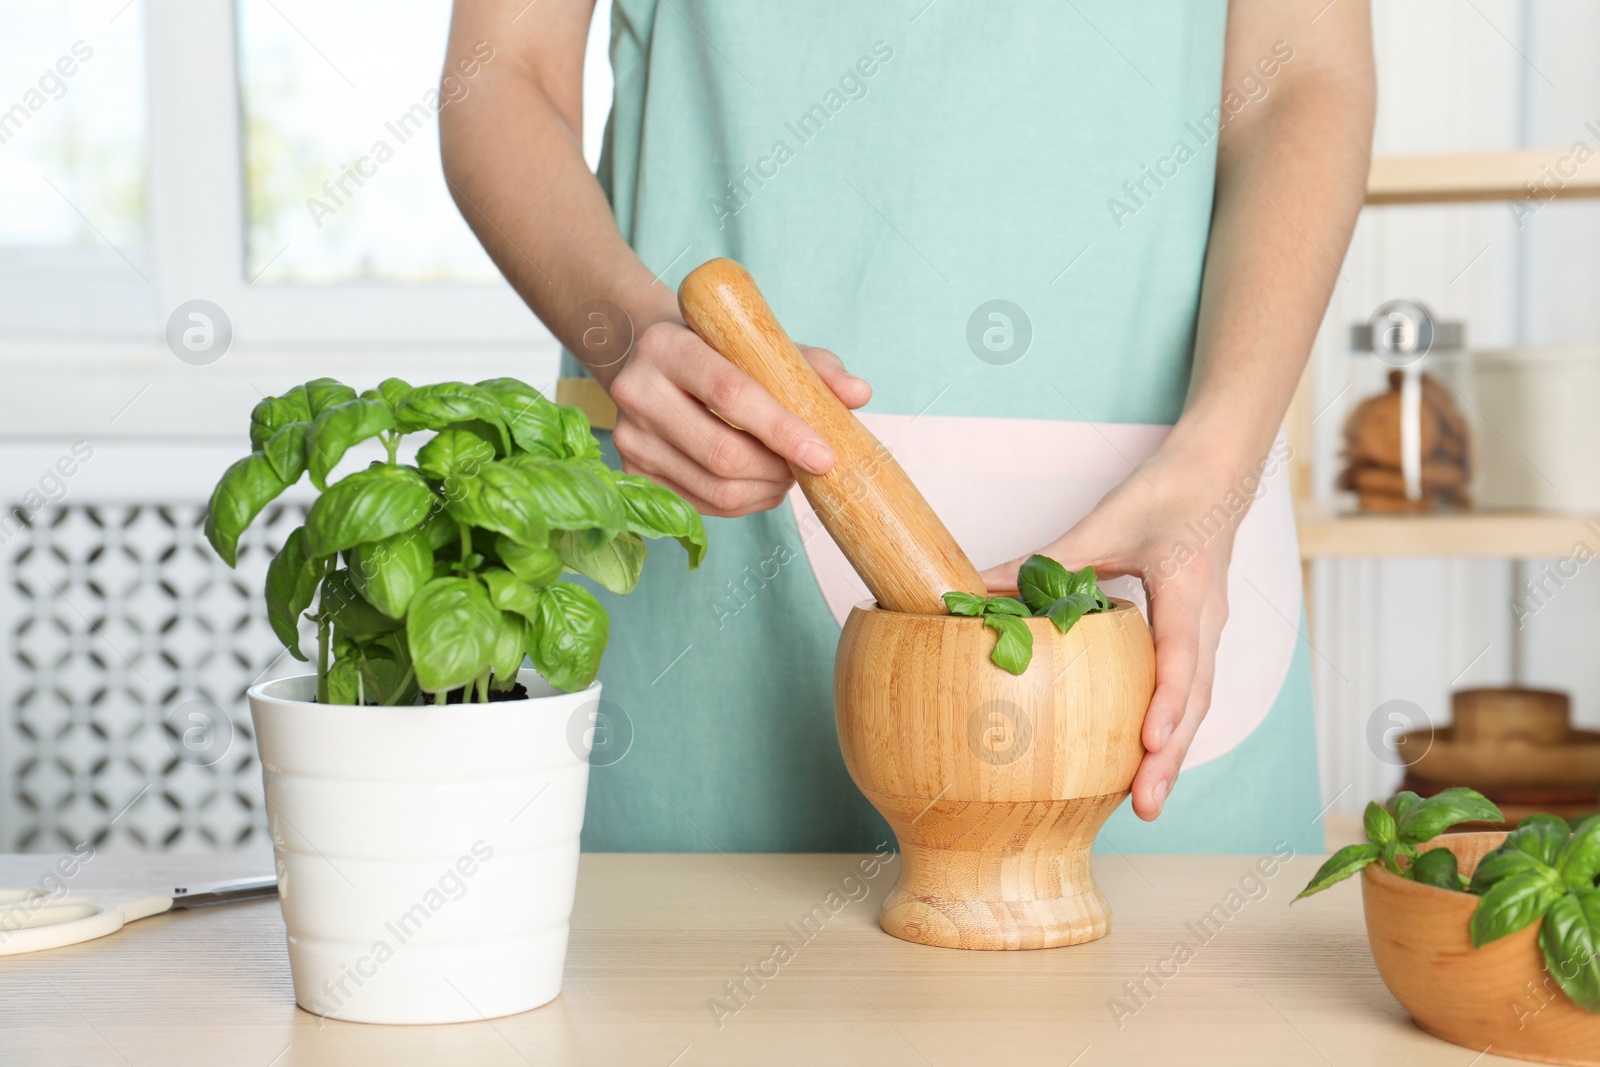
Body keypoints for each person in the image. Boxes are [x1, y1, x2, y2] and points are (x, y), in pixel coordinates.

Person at [441, 0, 1375, 854]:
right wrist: (625, 329)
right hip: (713, 539)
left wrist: (1217, 465)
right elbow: (501, 72)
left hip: (1161, 557)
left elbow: (1303, 76)